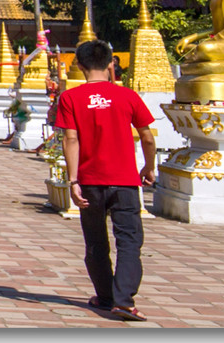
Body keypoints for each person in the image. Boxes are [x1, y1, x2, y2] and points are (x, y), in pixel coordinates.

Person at [56, 39, 156, 323]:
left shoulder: (70, 98)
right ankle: (124, 301)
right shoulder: (127, 96)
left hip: (90, 181)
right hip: (124, 181)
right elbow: (147, 137)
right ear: (112, 63)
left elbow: (70, 138)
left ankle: (105, 296)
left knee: (96, 242)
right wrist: (149, 168)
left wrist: (73, 180)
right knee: (128, 242)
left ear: (79, 64)